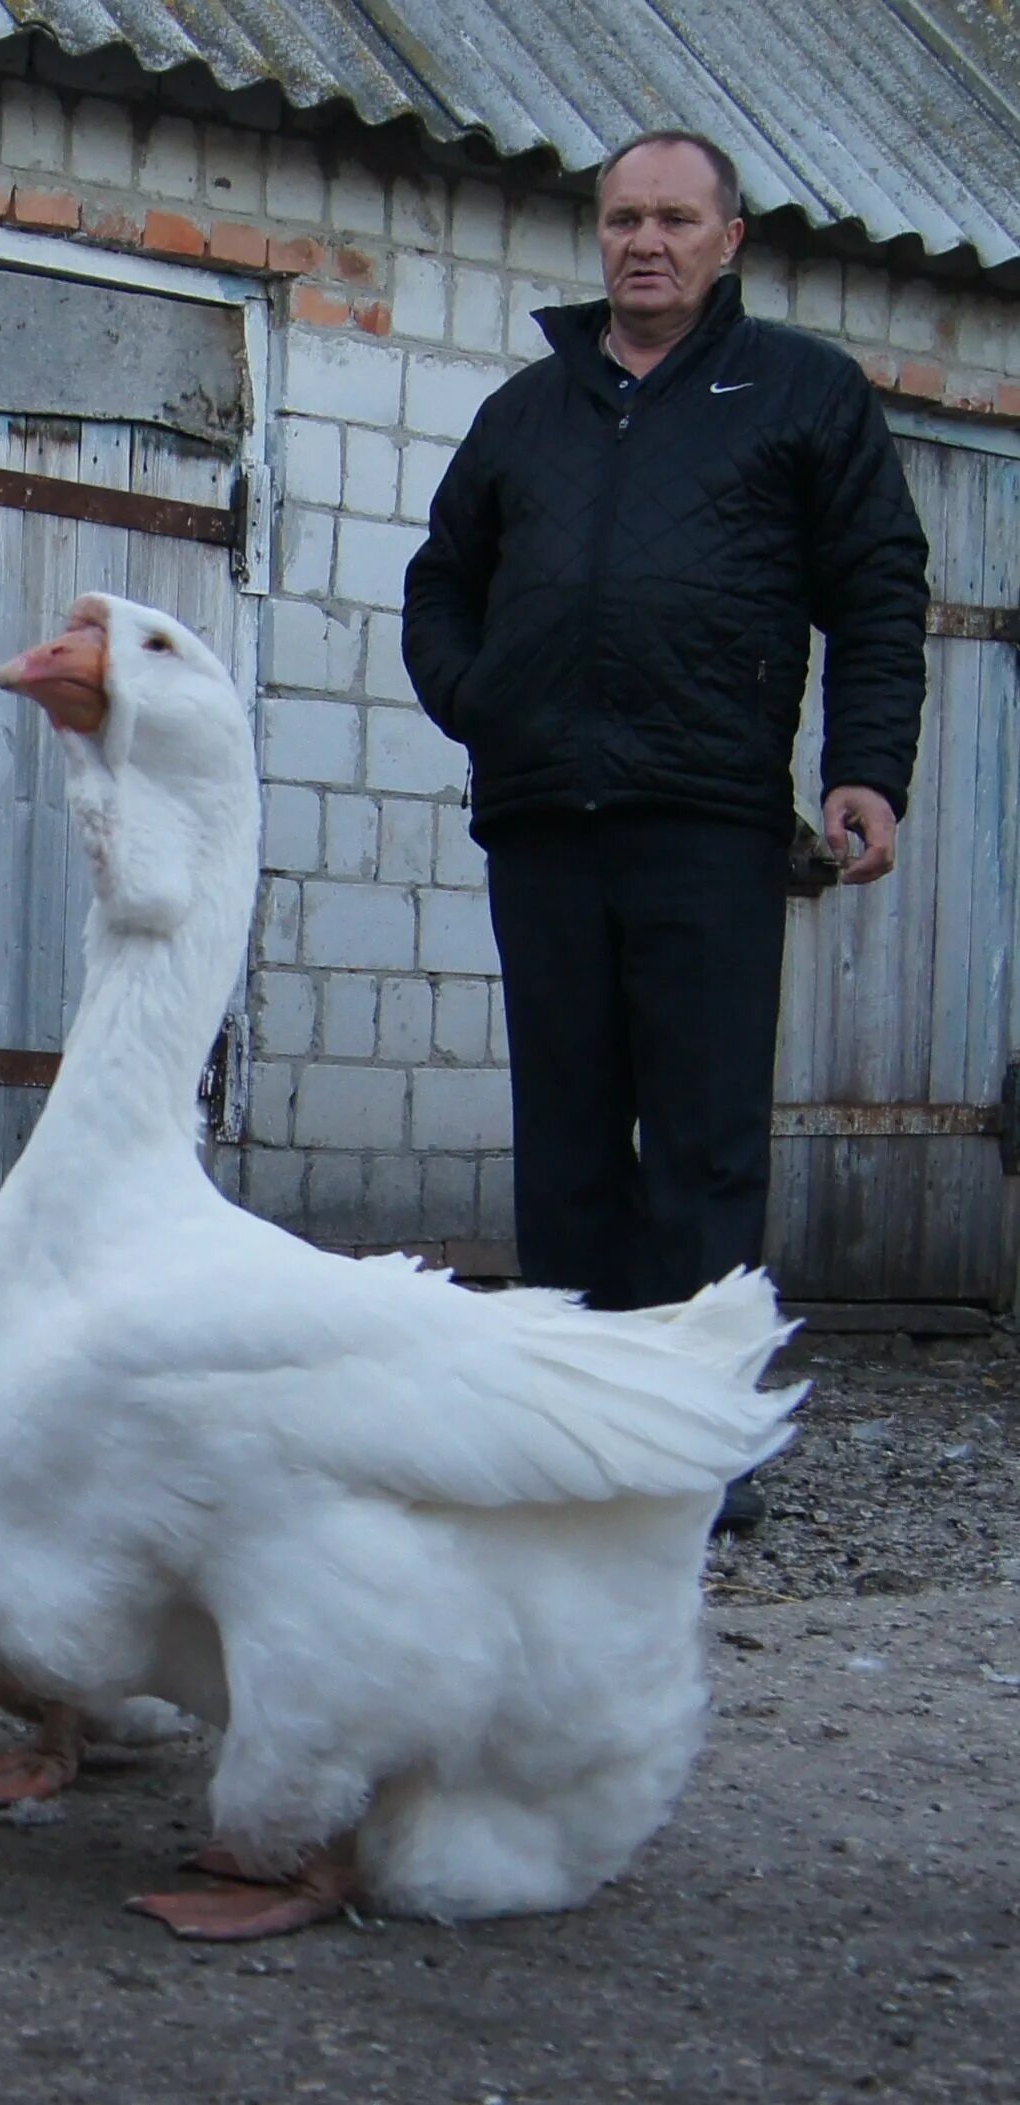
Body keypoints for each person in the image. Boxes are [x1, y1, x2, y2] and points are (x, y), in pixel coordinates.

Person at [402, 130, 929, 1532]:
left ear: (727, 240)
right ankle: (575, 1438)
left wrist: (863, 765)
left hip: (706, 817)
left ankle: (696, 1445)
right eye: (623, 219)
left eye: (674, 221)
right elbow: (439, 581)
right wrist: (479, 703)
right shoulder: (525, 412)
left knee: (699, 1142)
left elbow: (877, 588)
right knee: (566, 1136)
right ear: (598, 236)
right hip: (542, 821)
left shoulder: (799, 395)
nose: (645, 242)